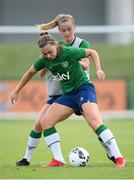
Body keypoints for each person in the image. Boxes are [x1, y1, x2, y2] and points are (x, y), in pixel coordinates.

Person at [10, 32, 126, 168]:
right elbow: (29, 73)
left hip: (83, 89)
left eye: (50, 52)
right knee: (45, 122)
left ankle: (118, 157)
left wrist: (99, 69)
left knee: (95, 123)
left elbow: (92, 52)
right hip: (68, 96)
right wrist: (16, 91)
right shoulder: (44, 59)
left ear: (55, 45)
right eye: (44, 53)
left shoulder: (69, 52)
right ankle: (58, 159)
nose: (48, 55)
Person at [14, 14, 90, 167]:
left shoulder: (77, 45)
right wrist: (47, 65)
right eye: (63, 29)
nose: (67, 32)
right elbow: (36, 71)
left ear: (74, 28)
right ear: (59, 30)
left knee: (94, 122)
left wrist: (70, 61)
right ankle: (27, 159)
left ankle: (113, 153)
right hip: (56, 95)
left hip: (74, 91)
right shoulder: (52, 50)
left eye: (69, 29)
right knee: (39, 124)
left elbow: (86, 63)